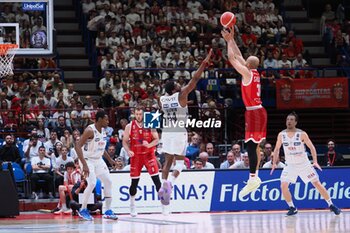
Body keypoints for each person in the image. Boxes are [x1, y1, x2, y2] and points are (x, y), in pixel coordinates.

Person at [158, 49, 212, 209]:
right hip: (179, 132)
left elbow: (170, 107)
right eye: (176, 84)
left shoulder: (162, 99)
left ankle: (163, 185)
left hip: (167, 132)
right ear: (175, 89)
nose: (179, 84)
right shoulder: (181, 95)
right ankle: (171, 183)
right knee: (180, 164)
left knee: (167, 163)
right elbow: (195, 79)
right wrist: (204, 63)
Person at [222, 28, 267, 198]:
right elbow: (239, 55)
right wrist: (232, 38)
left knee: (249, 146)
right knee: (254, 145)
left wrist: (227, 41)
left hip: (254, 113)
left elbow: (232, 58)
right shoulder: (254, 73)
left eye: (245, 61)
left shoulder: (247, 73)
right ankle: (255, 176)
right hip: (259, 111)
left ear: (248, 64)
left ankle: (253, 178)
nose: (243, 61)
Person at [271, 112, 341, 216]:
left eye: (291, 120)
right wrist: (274, 163)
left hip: (304, 164)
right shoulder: (281, 135)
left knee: (317, 183)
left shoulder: (302, 134)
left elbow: (312, 147)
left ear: (295, 122)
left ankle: (331, 205)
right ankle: (292, 207)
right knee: (283, 185)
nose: (288, 121)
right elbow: (276, 149)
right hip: (290, 165)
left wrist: (315, 161)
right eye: (287, 119)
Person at [75, 110, 118, 221]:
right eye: (106, 119)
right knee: (92, 182)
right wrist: (84, 164)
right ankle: (83, 210)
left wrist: (110, 160)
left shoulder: (103, 131)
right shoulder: (90, 130)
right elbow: (77, 146)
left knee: (108, 181)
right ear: (99, 119)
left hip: (98, 160)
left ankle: (108, 211)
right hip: (87, 159)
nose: (108, 121)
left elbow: (102, 148)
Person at [122, 106, 161, 217]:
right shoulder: (129, 126)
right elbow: (124, 142)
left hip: (149, 155)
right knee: (134, 183)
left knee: (157, 181)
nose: (139, 116)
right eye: (137, 114)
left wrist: (148, 145)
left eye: (140, 114)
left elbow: (157, 139)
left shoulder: (151, 122)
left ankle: (164, 205)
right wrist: (128, 150)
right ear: (134, 114)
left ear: (143, 114)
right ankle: (132, 206)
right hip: (136, 157)